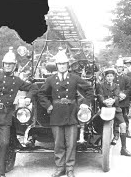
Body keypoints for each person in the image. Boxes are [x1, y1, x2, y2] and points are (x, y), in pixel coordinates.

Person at [38, 49, 94, 177]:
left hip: (72, 114)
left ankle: (69, 168)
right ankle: (59, 168)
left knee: (71, 143)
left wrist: (84, 103)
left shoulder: (75, 78)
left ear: (68, 65)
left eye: (64, 64)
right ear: (56, 66)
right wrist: (48, 105)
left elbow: (89, 90)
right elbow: (41, 93)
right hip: (56, 114)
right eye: (60, 64)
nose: (62, 66)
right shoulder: (51, 79)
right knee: (58, 143)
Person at [0, 47, 39, 177]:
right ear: (3, 65)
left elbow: (33, 87)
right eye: (6, 64)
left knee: (4, 143)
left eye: (11, 64)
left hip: (5, 116)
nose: (8, 66)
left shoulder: (17, 80)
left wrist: (28, 98)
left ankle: (1, 172)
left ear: (14, 66)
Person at [97, 68, 131, 156]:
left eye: (111, 76)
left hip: (115, 108)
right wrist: (104, 101)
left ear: (114, 77)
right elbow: (100, 95)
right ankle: (103, 146)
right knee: (102, 126)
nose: (109, 78)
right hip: (105, 108)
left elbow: (117, 95)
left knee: (123, 125)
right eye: (108, 76)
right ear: (105, 77)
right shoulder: (101, 85)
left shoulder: (116, 86)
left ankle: (123, 149)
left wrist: (113, 100)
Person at [111, 59, 131, 146]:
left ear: (123, 68)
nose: (119, 68)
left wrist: (124, 94)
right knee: (116, 118)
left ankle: (126, 131)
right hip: (116, 100)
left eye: (121, 67)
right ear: (116, 68)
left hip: (124, 100)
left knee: (125, 116)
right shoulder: (113, 77)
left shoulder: (127, 78)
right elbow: (112, 87)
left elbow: (129, 88)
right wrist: (118, 94)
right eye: (118, 67)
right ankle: (116, 135)